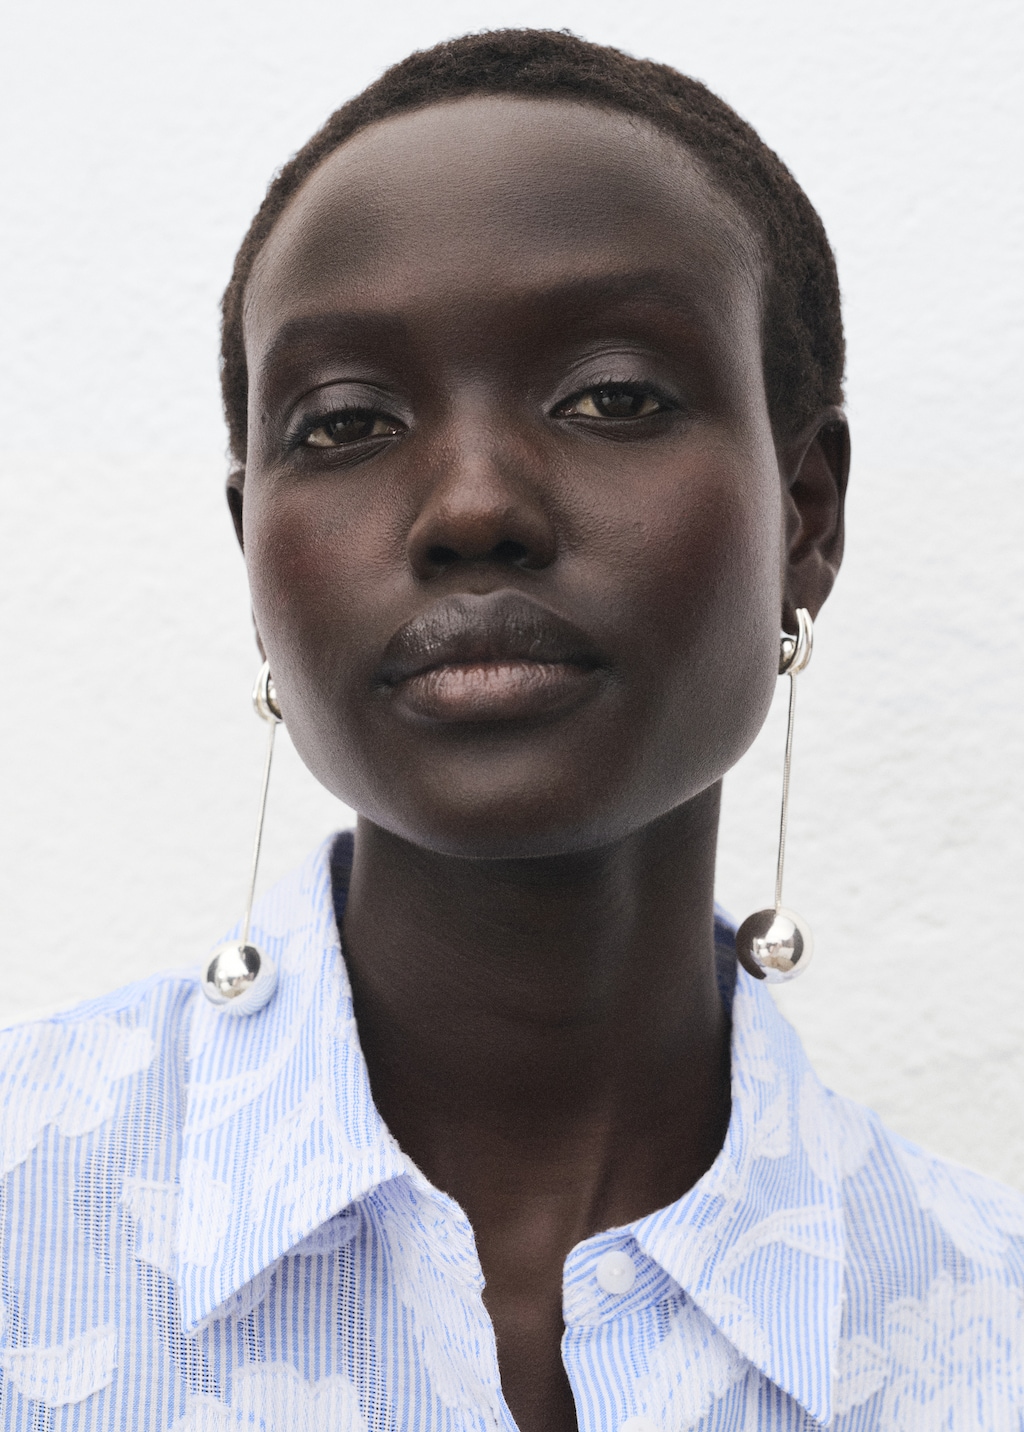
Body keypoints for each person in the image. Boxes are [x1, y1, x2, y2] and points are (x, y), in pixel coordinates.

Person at [0, 27, 1021, 1432]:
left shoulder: (989, 1337)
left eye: (614, 397)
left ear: (807, 514)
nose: (474, 505)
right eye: (347, 422)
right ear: (254, 557)